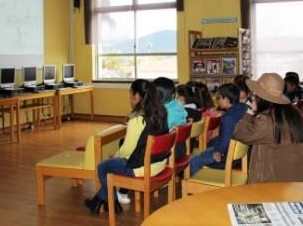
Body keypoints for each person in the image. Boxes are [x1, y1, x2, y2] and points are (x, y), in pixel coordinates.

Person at [84, 79, 169, 214]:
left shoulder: (136, 119)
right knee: (111, 164)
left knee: (102, 167)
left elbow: (128, 149)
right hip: (160, 162)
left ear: (136, 96)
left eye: (130, 94)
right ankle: (99, 202)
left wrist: (116, 155)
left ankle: (111, 202)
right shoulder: (161, 113)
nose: (129, 97)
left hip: (142, 167)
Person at [234, 73, 303, 183]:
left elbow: (240, 133)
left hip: (278, 185)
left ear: (260, 97)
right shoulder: (293, 112)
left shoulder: (268, 120)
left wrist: (249, 112)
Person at [189, 83, 247, 175]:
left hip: (227, 157)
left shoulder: (228, 118)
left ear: (227, 99)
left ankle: (201, 187)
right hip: (240, 154)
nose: (217, 101)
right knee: (203, 153)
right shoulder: (243, 108)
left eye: (219, 98)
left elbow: (225, 140)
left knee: (194, 162)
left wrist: (219, 151)